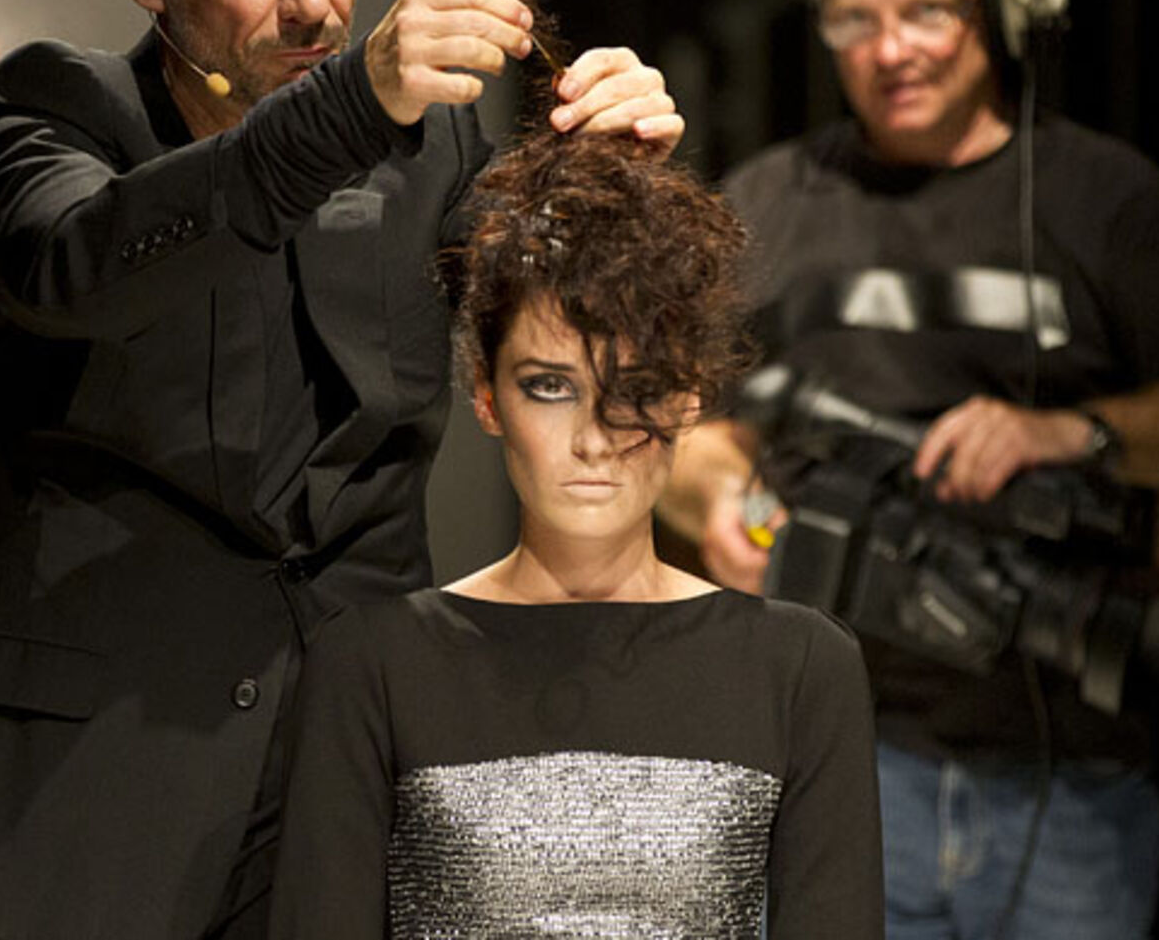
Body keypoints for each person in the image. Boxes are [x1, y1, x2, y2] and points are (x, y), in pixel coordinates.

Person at [0, 0, 682, 939]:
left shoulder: (431, 152)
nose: (315, 3)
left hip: (349, 784)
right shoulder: (41, 115)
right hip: (86, 809)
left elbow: (562, 358)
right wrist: (347, 107)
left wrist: (617, 183)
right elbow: (78, 265)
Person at [660, 0, 1159, 939]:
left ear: (1000, 7)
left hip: (1069, 785)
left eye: (927, 12)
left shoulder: (1107, 201)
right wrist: (721, 499)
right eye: (855, 19)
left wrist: (1076, 433)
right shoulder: (771, 200)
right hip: (837, 766)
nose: (891, 51)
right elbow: (681, 431)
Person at [268, 131, 883, 938]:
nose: (594, 438)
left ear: (691, 397)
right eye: (550, 386)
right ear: (487, 396)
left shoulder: (800, 667)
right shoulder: (373, 663)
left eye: (636, 388)